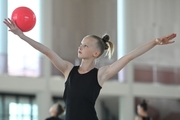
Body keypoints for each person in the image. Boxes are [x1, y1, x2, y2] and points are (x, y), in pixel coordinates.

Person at [3, 18, 176, 120]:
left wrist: (154, 42)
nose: (80, 47)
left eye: (85, 45)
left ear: (95, 53)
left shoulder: (101, 74)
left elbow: (129, 57)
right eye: (80, 44)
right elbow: (47, 51)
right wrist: (21, 35)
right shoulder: (68, 69)